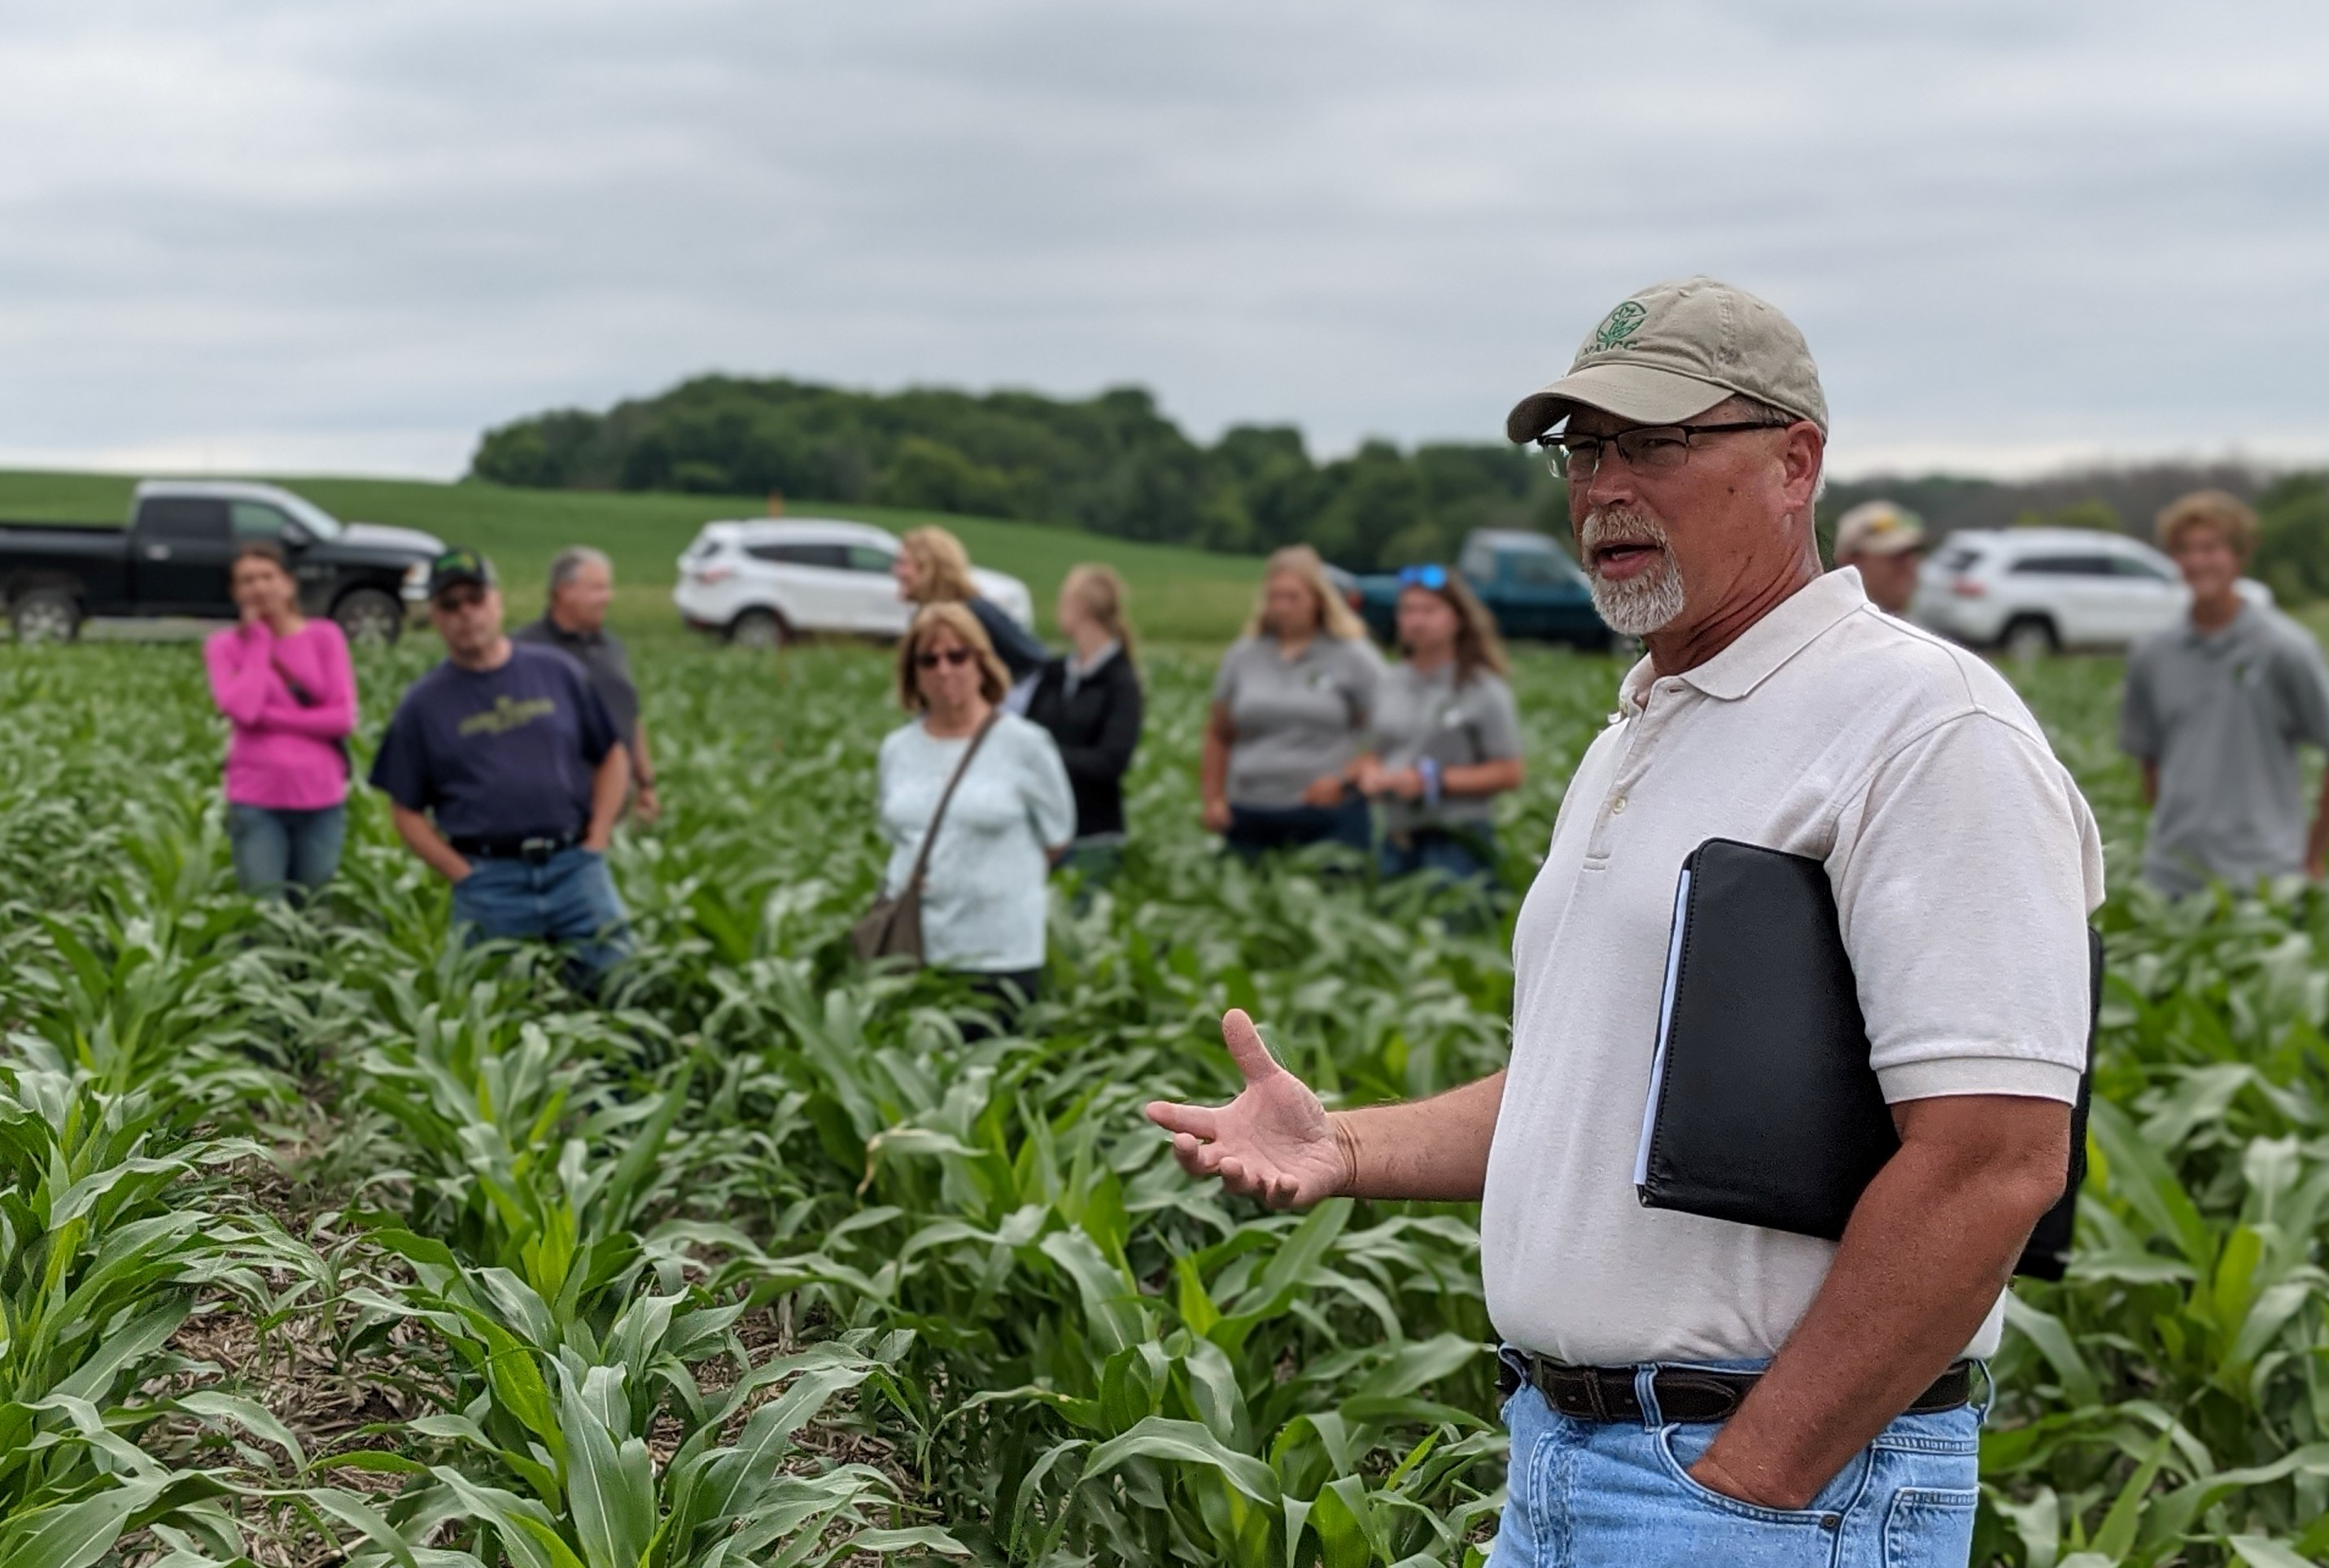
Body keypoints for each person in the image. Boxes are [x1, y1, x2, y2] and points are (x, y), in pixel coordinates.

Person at [1147, 277, 2102, 1566]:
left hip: (1756, 1485)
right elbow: (1602, 1092)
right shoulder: (1646, 721)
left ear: (1793, 463)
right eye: (1582, 449)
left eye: (1654, 443)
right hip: (1561, 1457)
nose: (1604, 487)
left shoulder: (1925, 727)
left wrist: (1750, 1479)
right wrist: (1344, 1143)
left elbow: (1992, 1157)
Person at [369, 548, 633, 986]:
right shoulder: (423, 705)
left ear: (498, 602)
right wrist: (462, 874)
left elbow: (612, 755)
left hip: (575, 869)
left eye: (475, 598)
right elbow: (405, 812)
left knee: (621, 987)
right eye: (450, 605)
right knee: (493, 1014)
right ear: (435, 617)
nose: (466, 614)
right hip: (490, 882)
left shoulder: (558, 672)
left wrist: (597, 841)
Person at [2120, 490, 2329, 897]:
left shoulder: (2285, 648)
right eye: (2184, 550)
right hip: (2171, 876)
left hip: (2265, 876)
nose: (2197, 561)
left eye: (2210, 548)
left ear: (2239, 554)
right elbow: (2149, 759)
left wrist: (2313, 856)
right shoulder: (2151, 653)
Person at [875, 602, 1075, 1007]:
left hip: (1000, 951)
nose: (944, 670)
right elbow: (894, 833)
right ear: (913, 675)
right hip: (916, 947)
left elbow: (1058, 836)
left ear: (982, 663)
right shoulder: (897, 749)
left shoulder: (1026, 745)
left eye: (957, 655)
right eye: (928, 660)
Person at [1201, 544, 1383, 857]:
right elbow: (1219, 732)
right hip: (1250, 811)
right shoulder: (1243, 655)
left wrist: (1349, 781)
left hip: (1328, 815)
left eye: (1293, 597)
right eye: (1274, 596)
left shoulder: (1353, 656)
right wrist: (1213, 799)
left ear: (1318, 599)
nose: (1282, 607)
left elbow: (1394, 730)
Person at [203, 539, 357, 899]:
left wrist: (271, 718)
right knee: (264, 905)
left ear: (289, 583)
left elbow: (342, 719)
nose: (259, 587)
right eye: (247, 580)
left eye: (268, 577)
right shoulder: (224, 646)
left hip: (321, 797)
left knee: (311, 900)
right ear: (236, 592)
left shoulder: (325, 636)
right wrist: (258, 641)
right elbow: (243, 709)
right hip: (256, 798)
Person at [1353, 565, 1523, 884]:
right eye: (1408, 610)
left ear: (1456, 619)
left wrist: (1433, 782)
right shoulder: (1389, 682)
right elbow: (1374, 752)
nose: (1416, 620)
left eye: (1429, 610)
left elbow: (1510, 771)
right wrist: (1370, 774)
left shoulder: (1483, 689)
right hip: (1394, 837)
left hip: (1457, 842)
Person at [513, 546, 661, 823]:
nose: (608, 598)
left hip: (619, 800)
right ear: (564, 591)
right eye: (598, 589)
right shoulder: (524, 650)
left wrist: (646, 783)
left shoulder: (611, 647)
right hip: (557, 807)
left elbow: (630, 714)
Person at [1025, 565, 1143, 885]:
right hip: (1043, 831)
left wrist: (1046, 756)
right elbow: (1025, 733)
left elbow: (1112, 760)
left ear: (1082, 609)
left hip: (1093, 834)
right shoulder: (1054, 674)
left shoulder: (1121, 683)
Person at [891, 525, 1050, 684]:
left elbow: (1035, 659)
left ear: (929, 568)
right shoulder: (923, 617)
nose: (895, 571)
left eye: (903, 563)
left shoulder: (974, 611)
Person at [1829, 500, 1927, 616]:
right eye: (1895, 556)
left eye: (1911, 554)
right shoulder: (1832, 627)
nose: (1908, 566)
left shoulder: (1928, 625)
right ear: (1850, 562)